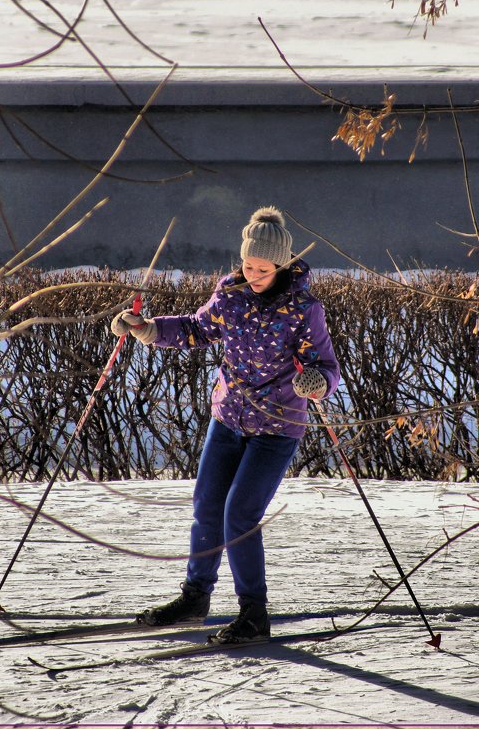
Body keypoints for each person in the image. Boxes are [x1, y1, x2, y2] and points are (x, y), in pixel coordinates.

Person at [110, 206, 340, 644]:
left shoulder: (304, 309)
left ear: (282, 265)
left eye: (263, 268)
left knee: (241, 515)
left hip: (276, 426)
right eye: (248, 264)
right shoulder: (230, 296)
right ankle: (195, 597)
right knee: (207, 508)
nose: (253, 274)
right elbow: (196, 329)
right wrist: (146, 328)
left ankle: (254, 614)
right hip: (228, 418)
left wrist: (317, 381)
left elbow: (325, 366)